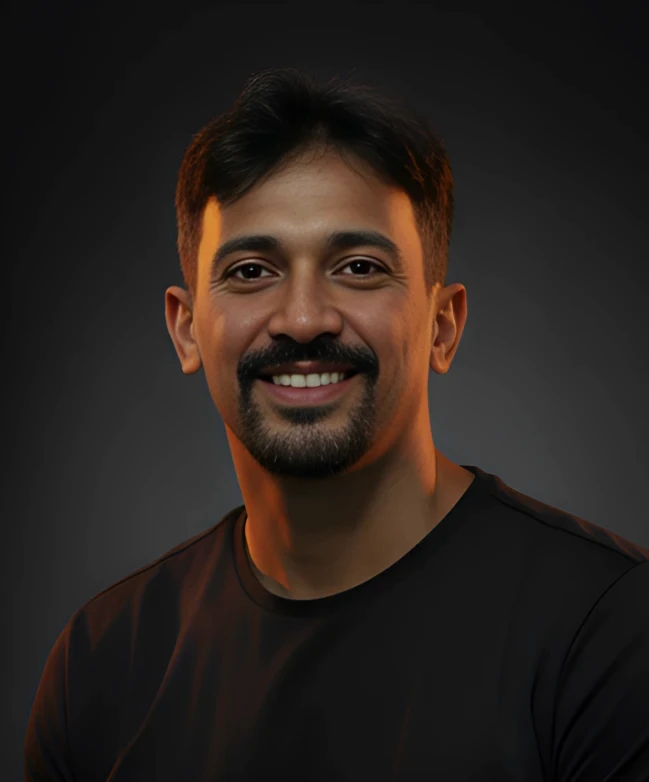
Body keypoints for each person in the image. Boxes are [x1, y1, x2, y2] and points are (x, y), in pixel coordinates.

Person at [25, 67, 649, 781]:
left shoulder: (605, 633)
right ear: (187, 329)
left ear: (442, 326)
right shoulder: (98, 667)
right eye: (252, 271)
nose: (301, 319)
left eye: (357, 266)